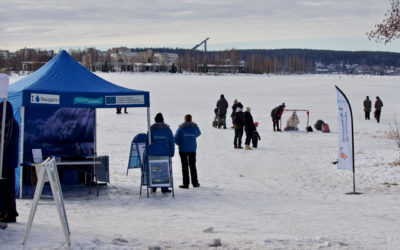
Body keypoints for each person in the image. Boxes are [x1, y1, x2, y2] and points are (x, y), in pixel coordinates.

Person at [0, 101, 19, 223]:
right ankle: (7, 212)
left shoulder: (10, 122)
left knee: (7, 189)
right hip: (7, 161)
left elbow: (7, 143)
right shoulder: (8, 122)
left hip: (7, 162)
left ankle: (10, 213)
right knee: (6, 189)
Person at [149, 113, 174, 193]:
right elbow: (171, 142)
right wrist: (172, 152)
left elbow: (147, 143)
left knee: (154, 168)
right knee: (165, 169)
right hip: (165, 154)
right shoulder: (168, 130)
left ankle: (154, 186)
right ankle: (164, 187)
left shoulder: (151, 130)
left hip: (153, 154)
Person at [174, 114, 201, 189]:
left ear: (184, 119)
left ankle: (186, 184)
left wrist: (180, 143)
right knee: (193, 166)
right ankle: (195, 182)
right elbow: (198, 133)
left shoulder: (180, 128)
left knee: (184, 166)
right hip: (192, 149)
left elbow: (176, 139)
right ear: (191, 119)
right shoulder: (195, 127)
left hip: (183, 149)